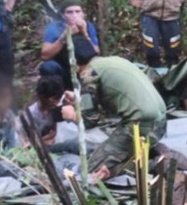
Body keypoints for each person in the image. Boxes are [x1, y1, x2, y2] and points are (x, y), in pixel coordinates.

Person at [60, 36, 167, 182]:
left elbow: (89, 121)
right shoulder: (112, 61)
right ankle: (144, 153)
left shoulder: (89, 74)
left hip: (141, 127)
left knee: (90, 170)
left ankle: (152, 165)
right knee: (108, 149)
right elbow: (110, 101)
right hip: (160, 123)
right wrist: (80, 100)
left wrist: (72, 115)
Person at [40, 0, 100, 89]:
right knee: (48, 67)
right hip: (63, 68)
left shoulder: (88, 26)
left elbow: (96, 52)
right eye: (69, 12)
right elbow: (45, 55)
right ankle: (57, 96)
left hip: (84, 68)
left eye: (77, 11)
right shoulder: (55, 27)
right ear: (63, 15)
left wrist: (84, 33)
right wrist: (64, 37)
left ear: (83, 14)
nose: (74, 15)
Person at [23, 75, 84, 154]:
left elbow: (54, 133)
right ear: (43, 97)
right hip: (41, 149)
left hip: (51, 141)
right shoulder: (31, 115)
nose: (57, 103)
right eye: (54, 99)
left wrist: (74, 104)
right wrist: (44, 140)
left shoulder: (54, 108)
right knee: (71, 145)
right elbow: (26, 144)